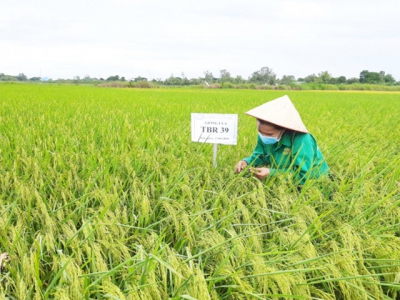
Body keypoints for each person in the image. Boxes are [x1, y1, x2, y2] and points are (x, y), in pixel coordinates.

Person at [235, 95, 329, 185]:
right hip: (284, 181)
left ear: (283, 129)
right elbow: (260, 156)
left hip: (313, 183)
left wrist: (271, 173)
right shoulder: (263, 136)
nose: (263, 136)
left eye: (269, 134)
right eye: (260, 132)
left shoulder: (302, 140)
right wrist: (246, 162)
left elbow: (303, 175)